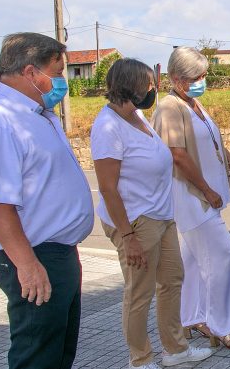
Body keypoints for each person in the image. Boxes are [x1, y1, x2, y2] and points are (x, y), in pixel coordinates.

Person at [0, 32, 94, 369]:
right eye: (57, 71)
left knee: (58, 353)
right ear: (30, 72)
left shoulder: (39, 115)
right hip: (35, 256)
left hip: (58, 254)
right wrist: (27, 264)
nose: (61, 81)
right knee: (37, 357)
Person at [90, 58, 213, 368]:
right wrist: (128, 236)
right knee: (140, 292)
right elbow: (108, 188)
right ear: (130, 86)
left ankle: (175, 349)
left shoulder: (138, 117)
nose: (153, 89)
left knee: (172, 281)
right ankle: (141, 359)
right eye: (148, 84)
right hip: (135, 221)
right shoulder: (108, 126)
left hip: (161, 215)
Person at [152, 46, 230, 350]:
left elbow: (203, 137)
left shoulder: (191, 102)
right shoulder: (170, 107)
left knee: (194, 262)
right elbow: (177, 155)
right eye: (196, 76)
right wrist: (207, 189)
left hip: (203, 197)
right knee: (222, 254)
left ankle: (192, 317)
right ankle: (222, 327)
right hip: (192, 198)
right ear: (176, 78)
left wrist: (224, 152)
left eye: (204, 74)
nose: (202, 80)